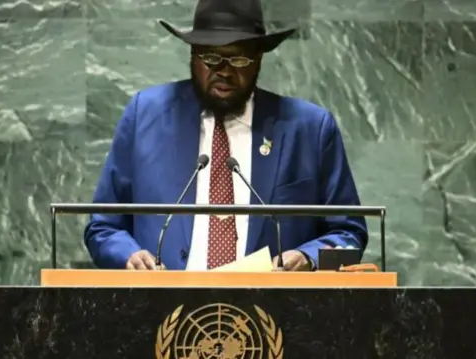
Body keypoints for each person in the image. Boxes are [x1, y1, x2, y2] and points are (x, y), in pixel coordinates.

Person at [84, 0, 368, 271]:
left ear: (259, 59)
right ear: (192, 55)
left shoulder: (309, 129)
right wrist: (129, 256)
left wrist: (308, 257)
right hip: (161, 308)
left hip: (271, 312)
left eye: (240, 59)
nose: (224, 72)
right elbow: (103, 226)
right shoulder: (145, 115)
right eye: (210, 58)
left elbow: (348, 232)